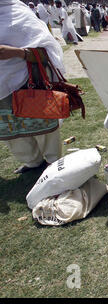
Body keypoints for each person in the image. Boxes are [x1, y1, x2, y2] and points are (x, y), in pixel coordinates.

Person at [0, 0, 65, 174]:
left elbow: (47, 53)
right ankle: (32, 161)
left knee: (41, 125)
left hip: (27, 82)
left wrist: (16, 52)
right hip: (1, 91)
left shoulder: (20, 14)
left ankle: (54, 161)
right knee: (11, 127)